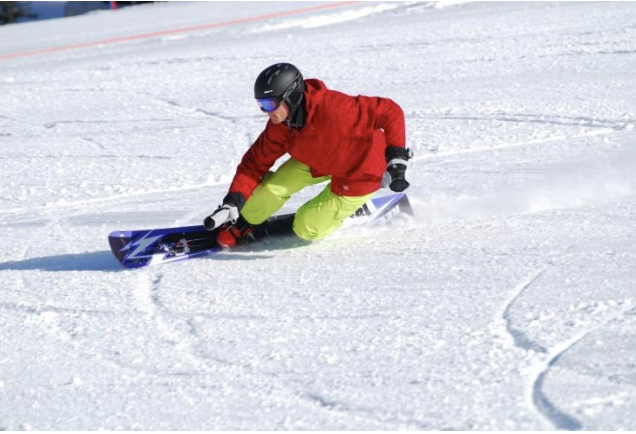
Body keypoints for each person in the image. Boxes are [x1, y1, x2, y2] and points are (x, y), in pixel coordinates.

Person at [204, 62, 412, 247]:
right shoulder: (281, 126)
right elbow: (253, 164)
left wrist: (396, 158)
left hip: (360, 171)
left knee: (307, 226)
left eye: (269, 104)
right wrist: (234, 201)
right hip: (318, 160)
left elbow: (390, 111)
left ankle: (348, 211)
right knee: (269, 190)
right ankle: (244, 224)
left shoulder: (336, 109)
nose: (266, 112)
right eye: (261, 105)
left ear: (291, 96)